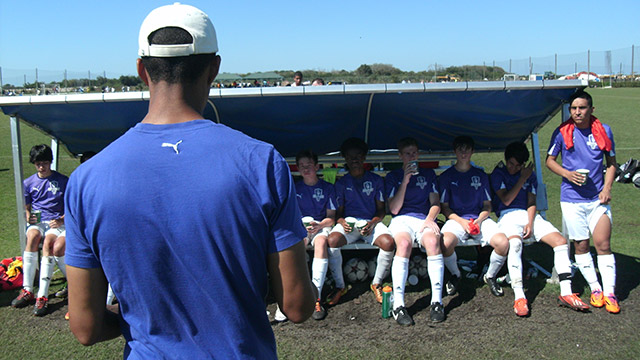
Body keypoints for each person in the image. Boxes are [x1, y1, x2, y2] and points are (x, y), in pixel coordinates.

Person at [64, 4, 315, 358]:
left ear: (141, 69)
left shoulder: (87, 180)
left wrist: (141, 321)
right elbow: (298, 306)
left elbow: (85, 327)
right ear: (214, 67)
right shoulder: (261, 161)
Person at [491, 142, 590, 316]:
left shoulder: (531, 176)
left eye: (517, 165)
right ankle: (520, 296)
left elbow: (531, 202)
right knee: (514, 243)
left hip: (528, 215)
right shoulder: (499, 173)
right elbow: (506, 200)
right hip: (507, 216)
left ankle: (566, 292)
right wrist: (522, 178)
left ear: (523, 164)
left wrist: (530, 222)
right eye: (511, 164)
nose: (513, 168)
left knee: (560, 241)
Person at [546, 90, 619, 314]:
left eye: (582, 108)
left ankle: (610, 293)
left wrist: (607, 188)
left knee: (603, 244)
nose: (577, 112)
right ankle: (595, 288)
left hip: (597, 199)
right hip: (572, 200)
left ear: (591, 109)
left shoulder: (603, 131)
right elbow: (550, 161)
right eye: (574, 108)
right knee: (581, 245)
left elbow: (612, 163)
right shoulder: (562, 132)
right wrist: (567, 174)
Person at [439, 136, 510, 299]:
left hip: (480, 219)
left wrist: (478, 220)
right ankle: (456, 274)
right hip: (456, 220)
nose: (463, 153)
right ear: (455, 151)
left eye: (467, 149)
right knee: (445, 244)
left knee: (503, 243)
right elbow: (445, 208)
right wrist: (462, 222)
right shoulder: (446, 177)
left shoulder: (481, 175)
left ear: (472, 151)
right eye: (460, 149)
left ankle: (490, 275)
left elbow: (487, 206)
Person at [327, 137, 395, 305]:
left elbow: (381, 210)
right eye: (350, 157)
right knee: (332, 240)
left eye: (358, 156)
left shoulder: (376, 180)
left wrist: (372, 224)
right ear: (345, 159)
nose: (354, 160)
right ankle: (340, 285)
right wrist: (342, 222)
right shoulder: (341, 183)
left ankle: (377, 282)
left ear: (364, 158)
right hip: (350, 225)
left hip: (370, 223)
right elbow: (339, 214)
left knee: (388, 243)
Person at [385, 138, 443, 325]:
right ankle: (399, 305)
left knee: (433, 242)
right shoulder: (393, 176)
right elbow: (394, 209)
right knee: (403, 244)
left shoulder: (428, 174)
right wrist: (405, 180)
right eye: (407, 154)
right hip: (401, 219)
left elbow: (435, 204)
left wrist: (429, 219)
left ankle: (437, 301)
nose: (412, 157)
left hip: (423, 219)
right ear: (400, 156)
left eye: (414, 153)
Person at [11, 144, 68, 317]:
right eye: (38, 164)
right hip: (39, 220)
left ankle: (42, 296)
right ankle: (27, 290)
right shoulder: (28, 182)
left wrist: (60, 220)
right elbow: (27, 206)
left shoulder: (63, 181)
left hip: (56, 222)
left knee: (49, 245)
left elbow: (71, 206)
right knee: (33, 237)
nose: (41, 167)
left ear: (50, 162)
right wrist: (29, 216)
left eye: (44, 162)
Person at [294, 149, 340, 320]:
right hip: (302, 228)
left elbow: (331, 218)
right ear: (297, 168)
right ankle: (297, 289)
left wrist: (319, 225)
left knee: (321, 243)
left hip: (321, 227)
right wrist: (302, 226)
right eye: (302, 166)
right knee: (297, 245)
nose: (306, 169)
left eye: (309, 165)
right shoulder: (295, 188)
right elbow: (291, 215)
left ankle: (316, 296)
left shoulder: (327, 188)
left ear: (317, 166)